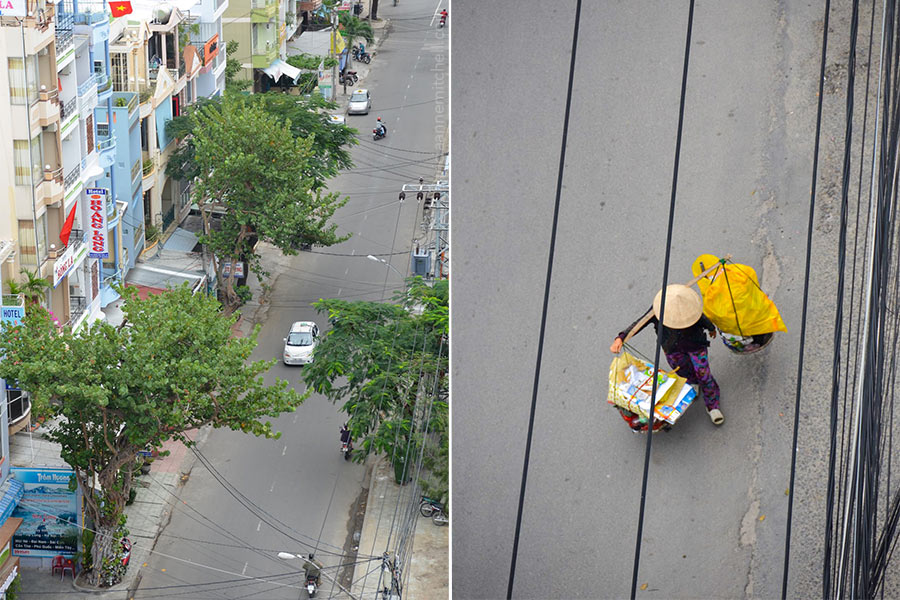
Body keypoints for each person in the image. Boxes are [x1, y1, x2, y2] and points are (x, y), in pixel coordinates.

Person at [610, 284, 724, 426]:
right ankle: (693, 383)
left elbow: (701, 318)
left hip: (696, 346)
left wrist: (711, 328)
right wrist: (621, 337)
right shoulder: (657, 310)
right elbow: (639, 323)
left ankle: (713, 406)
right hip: (672, 349)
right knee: (683, 372)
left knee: (704, 375)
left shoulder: (689, 306)